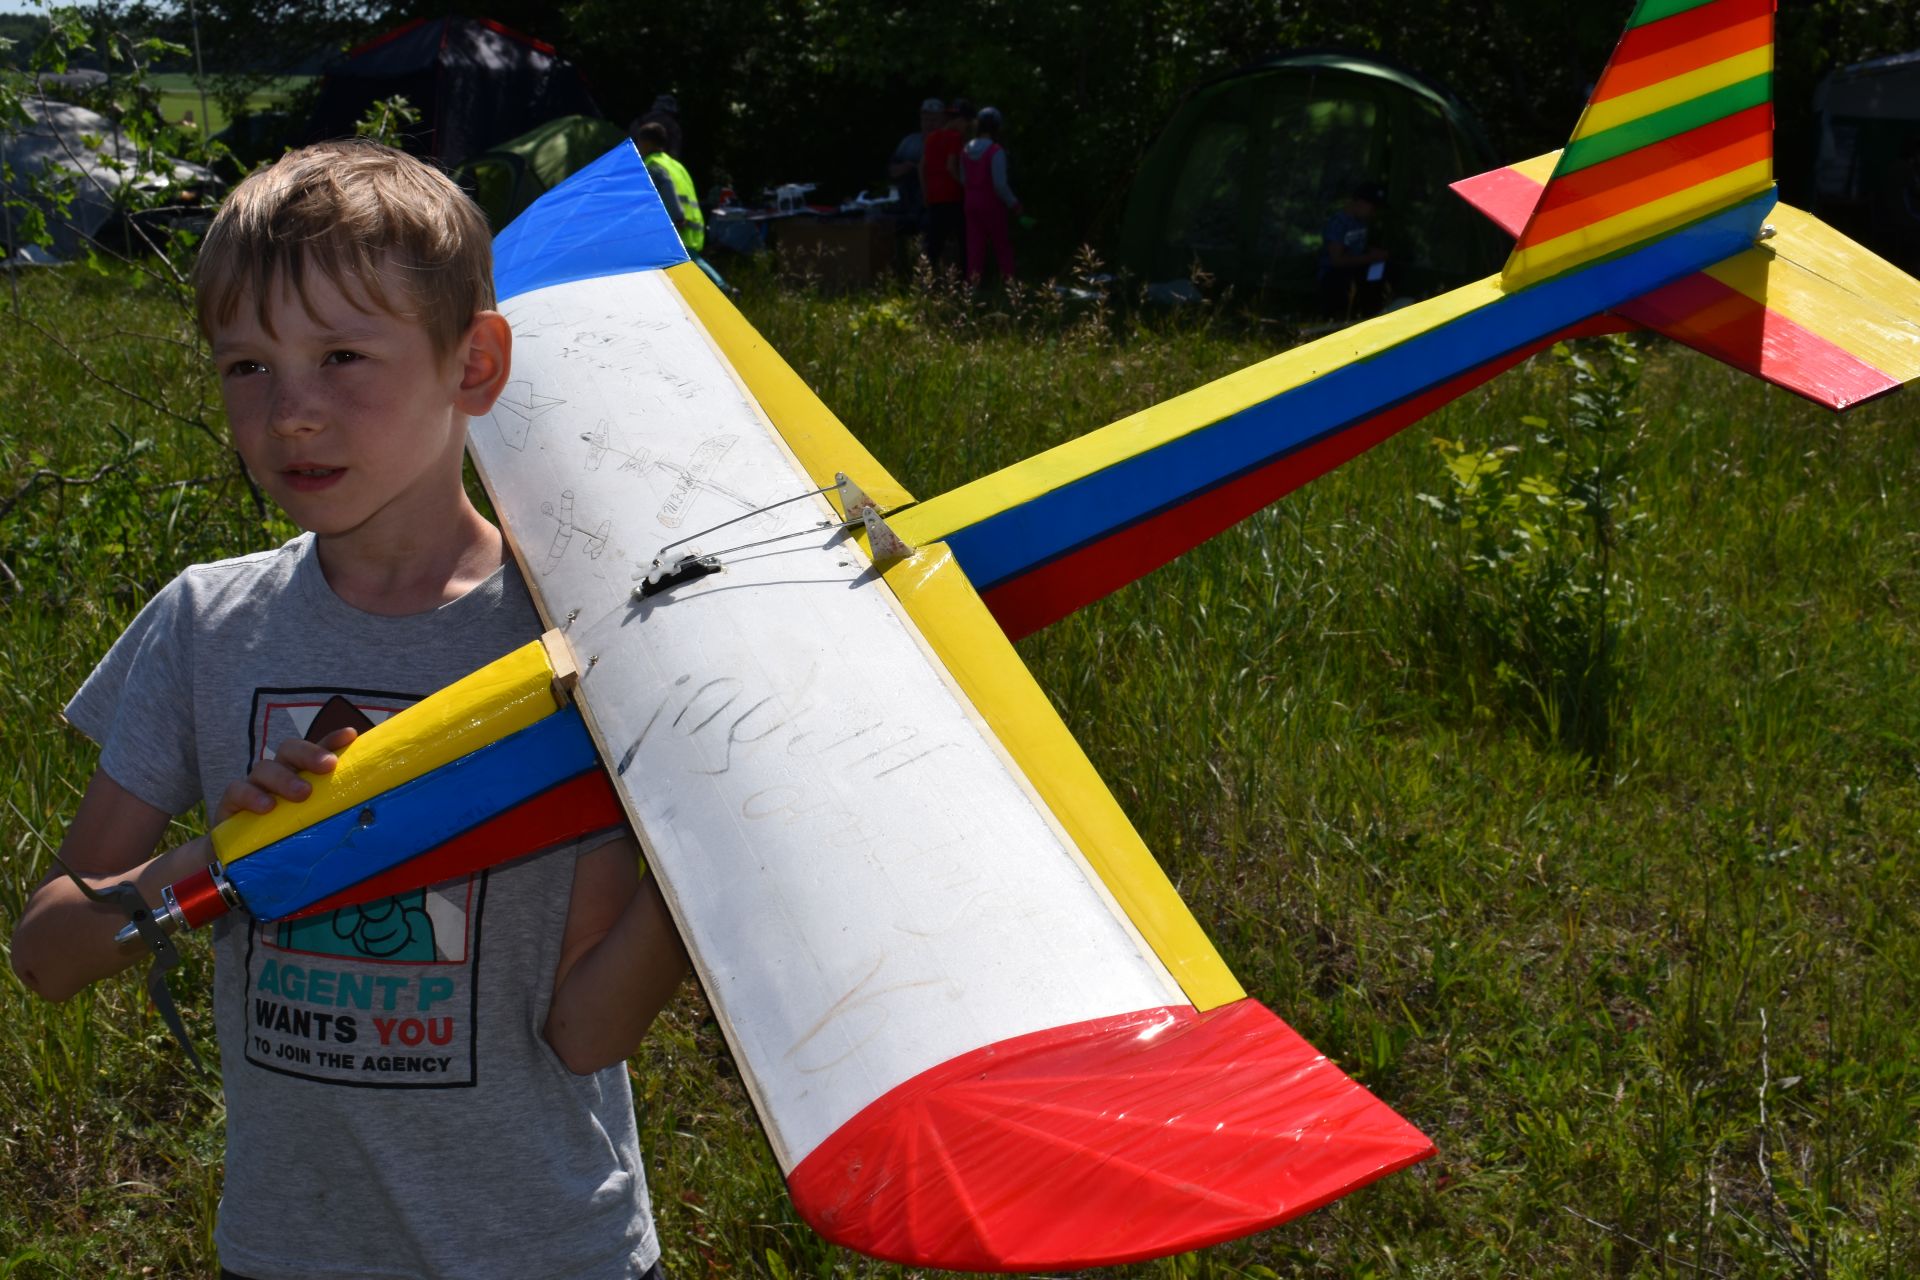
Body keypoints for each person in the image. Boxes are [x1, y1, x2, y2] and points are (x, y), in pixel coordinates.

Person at [8, 140, 689, 1280]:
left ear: (473, 363)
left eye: (341, 356)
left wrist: (700, 850)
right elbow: (49, 952)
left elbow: (589, 1029)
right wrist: (225, 860)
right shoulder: (204, 624)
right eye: (247, 367)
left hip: (549, 1247)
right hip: (289, 1247)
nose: (292, 414)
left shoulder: (573, 643)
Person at [635, 120, 728, 291]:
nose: (638, 147)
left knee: (692, 264)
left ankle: (723, 289)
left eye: (639, 142)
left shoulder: (653, 164)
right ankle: (720, 290)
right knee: (691, 265)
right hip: (693, 226)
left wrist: (677, 217)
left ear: (646, 143)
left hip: (677, 224)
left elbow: (667, 189)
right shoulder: (676, 165)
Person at [959, 105, 1020, 283]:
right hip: (992, 204)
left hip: (970, 203)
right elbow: (1000, 184)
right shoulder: (995, 151)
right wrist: (1014, 203)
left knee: (975, 247)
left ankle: (972, 287)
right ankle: (1010, 285)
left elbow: (964, 179)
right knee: (1001, 245)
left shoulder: (966, 149)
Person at [1317, 180, 1391, 319]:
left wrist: (1372, 252)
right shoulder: (1339, 223)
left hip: (1356, 270)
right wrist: (1371, 258)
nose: (1374, 213)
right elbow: (1336, 260)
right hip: (1334, 277)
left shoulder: (1361, 222)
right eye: (1373, 208)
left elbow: (1356, 246)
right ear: (1360, 202)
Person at [920, 98, 969, 271]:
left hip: (934, 197)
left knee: (934, 243)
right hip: (952, 196)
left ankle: (925, 279)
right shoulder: (955, 138)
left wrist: (925, 193)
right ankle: (966, 279)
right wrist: (965, 185)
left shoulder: (931, 138)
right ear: (959, 121)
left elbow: (922, 167)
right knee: (963, 239)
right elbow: (951, 165)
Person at [888, 97, 944, 224]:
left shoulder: (949, 143)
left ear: (943, 120)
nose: (930, 123)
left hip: (935, 204)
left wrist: (918, 168)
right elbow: (891, 170)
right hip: (906, 205)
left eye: (934, 119)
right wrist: (903, 168)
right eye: (926, 119)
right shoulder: (909, 142)